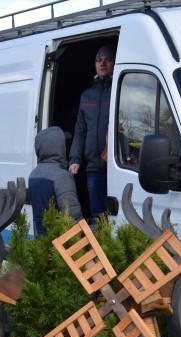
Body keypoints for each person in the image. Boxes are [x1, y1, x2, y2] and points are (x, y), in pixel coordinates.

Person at [68, 43, 116, 220]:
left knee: (115, 216)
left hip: (115, 165)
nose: (102, 64)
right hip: (93, 168)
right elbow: (80, 131)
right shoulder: (87, 96)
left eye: (108, 60)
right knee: (97, 216)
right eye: (98, 60)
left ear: (115, 63)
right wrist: (75, 159)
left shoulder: (118, 91)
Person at [28, 126, 83, 237]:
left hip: (42, 240)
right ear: (58, 148)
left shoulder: (33, 175)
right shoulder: (61, 176)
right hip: (62, 243)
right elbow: (73, 217)